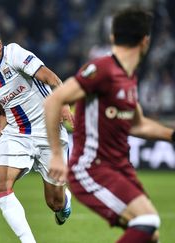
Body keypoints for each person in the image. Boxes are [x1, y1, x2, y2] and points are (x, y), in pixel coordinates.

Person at [45, 7, 175, 243]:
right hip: (93, 168)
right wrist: (56, 155)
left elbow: (138, 125)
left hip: (119, 169)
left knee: (150, 234)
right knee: (147, 221)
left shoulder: (128, 77)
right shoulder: (103, 69)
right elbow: (54, 99)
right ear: (146, 41)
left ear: (113, 36)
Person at [0, 22, 74, 243]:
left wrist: (63, 101)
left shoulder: (15, 54)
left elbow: (49, 76)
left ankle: (64, 201)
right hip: (17, 133)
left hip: (49, 133)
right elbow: (5, 109)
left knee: (54, 203)